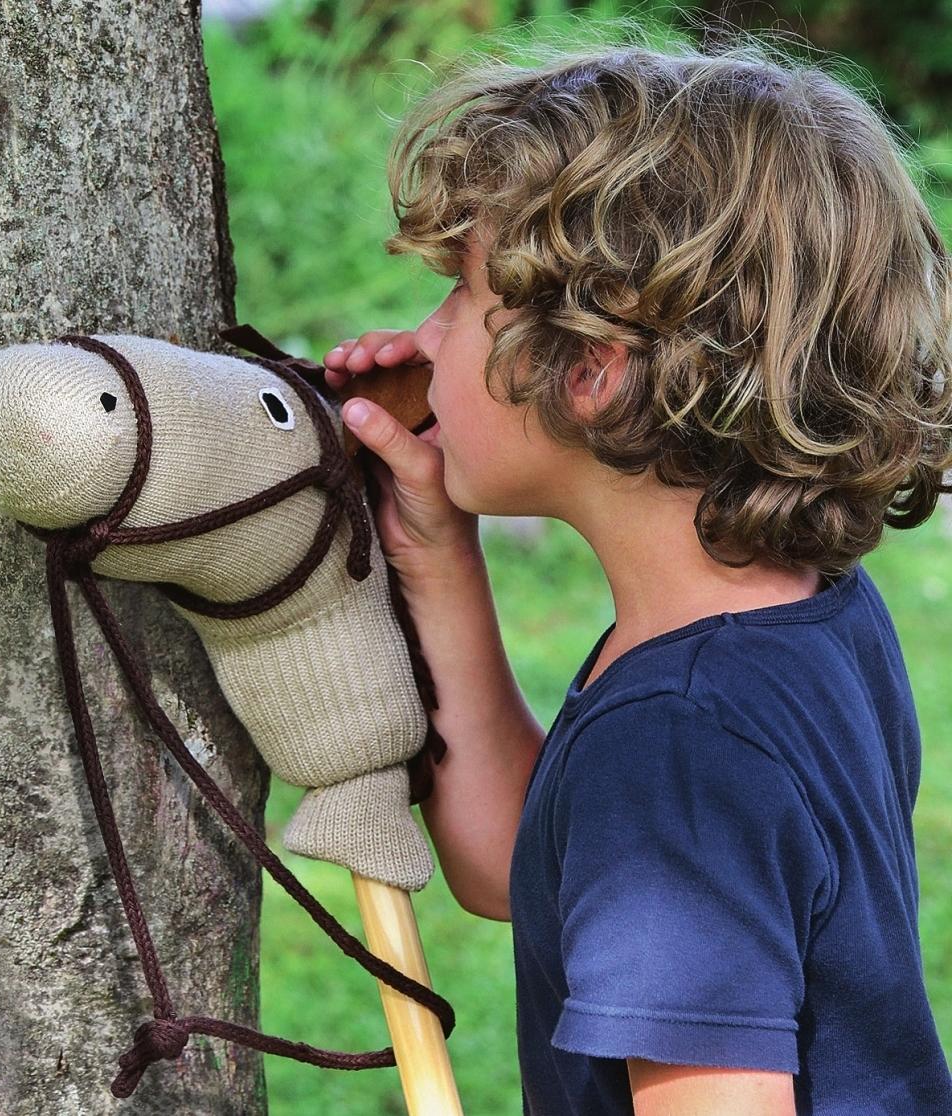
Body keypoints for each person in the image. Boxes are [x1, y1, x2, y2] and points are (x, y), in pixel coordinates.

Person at [321, 35, 952, 1116]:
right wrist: (434, 553)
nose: (425, 337)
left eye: (461, 301)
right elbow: (521, 864)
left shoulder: (681, 740)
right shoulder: (810, 621)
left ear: (592, 372)